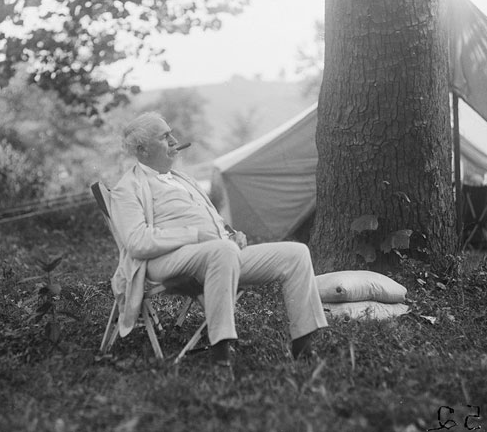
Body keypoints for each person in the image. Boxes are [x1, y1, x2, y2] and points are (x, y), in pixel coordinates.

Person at [109, 112, 328, 370]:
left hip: (219, 254)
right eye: (164, 137)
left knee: (296, 253)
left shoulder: (183, 179)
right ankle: (221, 353)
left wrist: (230, 234)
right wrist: (196, 236)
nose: (174, 140)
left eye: (171, 134)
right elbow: (137, 242)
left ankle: (303, 345)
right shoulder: (128, 188)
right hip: (166, 261)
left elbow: (212, 221)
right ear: (142, 149)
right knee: (221, 251)